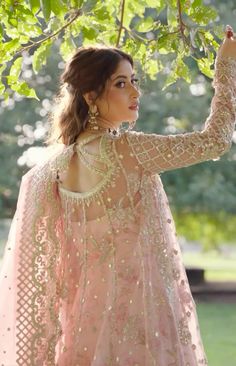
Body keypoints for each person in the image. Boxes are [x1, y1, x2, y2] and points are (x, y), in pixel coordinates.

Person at [0, 25, 236, 366]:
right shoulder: (128, 151)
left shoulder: (49, 170)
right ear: (91, 97)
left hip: (80, 332)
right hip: (140, 327)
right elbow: (214, 141)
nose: (134, 91)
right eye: (120, 83)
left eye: (134, 80)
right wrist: (226, 68)